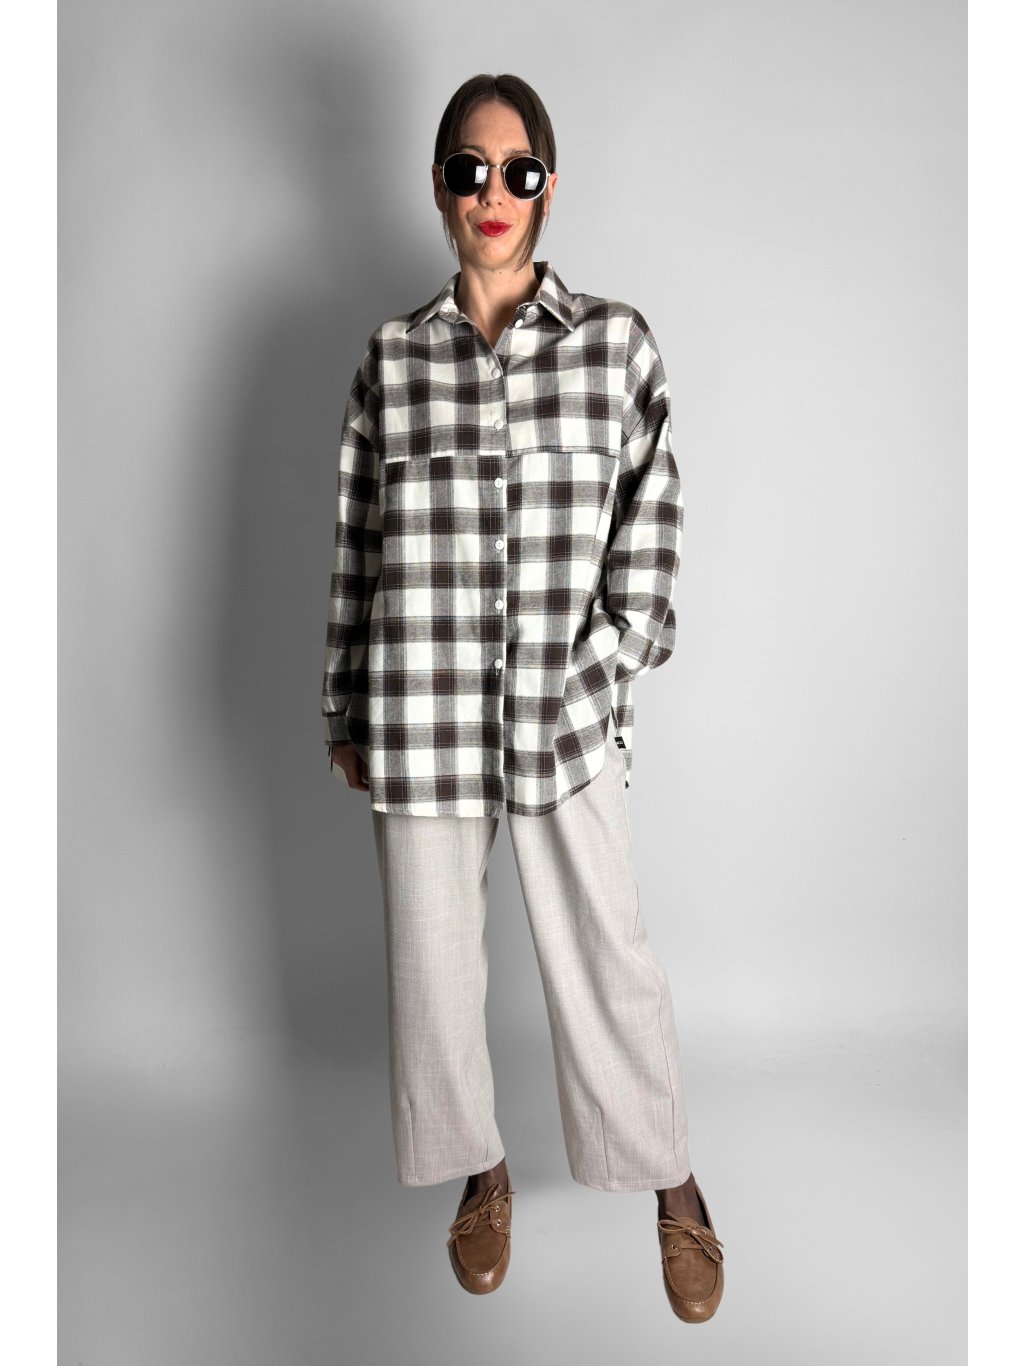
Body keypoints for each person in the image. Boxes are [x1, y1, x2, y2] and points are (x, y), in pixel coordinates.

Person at [320, 73, 724, 1322]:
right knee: (433, 968)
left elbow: (650, 539)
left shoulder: (615, 346)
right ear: (438, 185)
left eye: (516, 170)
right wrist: (343, 705)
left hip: (562, 715)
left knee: (608, 955)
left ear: (549, 186)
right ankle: (479, 1170)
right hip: (419, 707)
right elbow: (358, 542)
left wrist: (592, 675)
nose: (490, 192)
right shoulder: (393, 359)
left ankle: (669, 1175)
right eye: (467, 168)